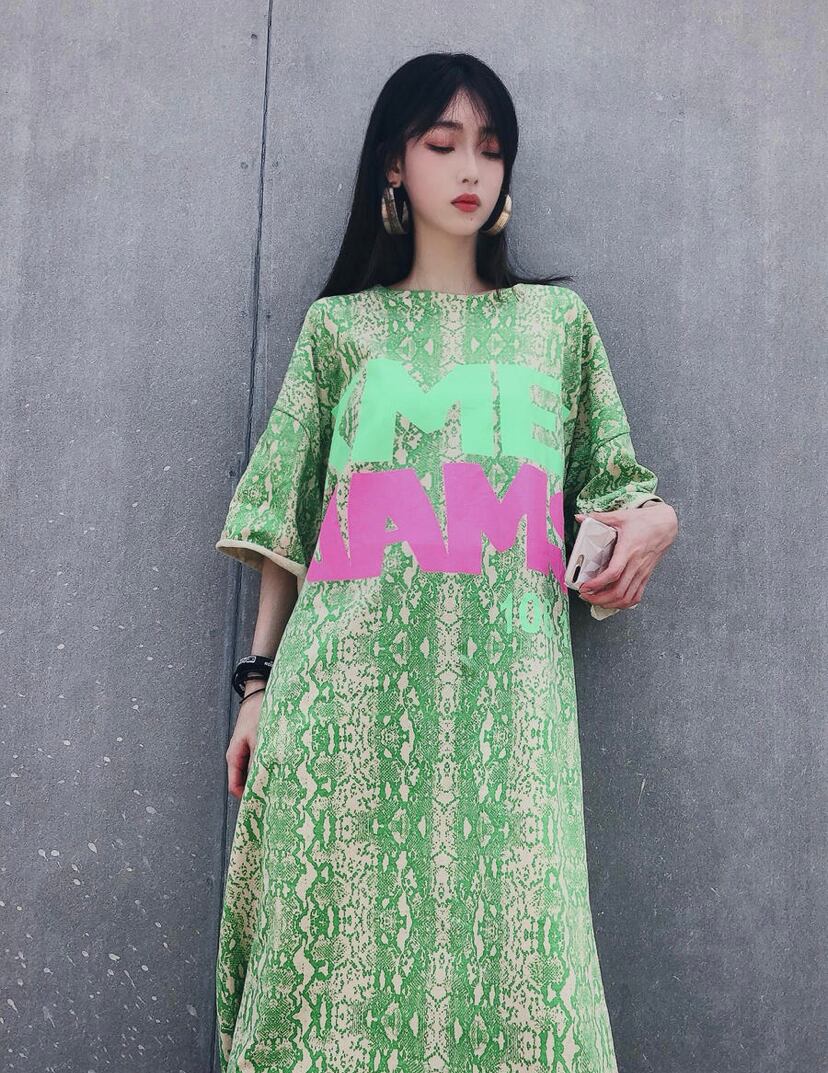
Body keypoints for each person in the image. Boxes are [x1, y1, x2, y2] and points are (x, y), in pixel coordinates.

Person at [213, 51, 678, 1073]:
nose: (472, 168)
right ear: (395, 163)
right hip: (344, 709)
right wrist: (257, 685)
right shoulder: (341, 329)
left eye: (492, 148)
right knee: (330, 992)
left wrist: (659, 522)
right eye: (444, 143)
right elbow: (291, 520)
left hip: (511, 716)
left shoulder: (556, 324)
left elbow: (619, 485)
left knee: (527, 981)